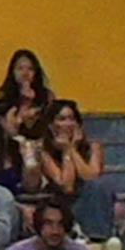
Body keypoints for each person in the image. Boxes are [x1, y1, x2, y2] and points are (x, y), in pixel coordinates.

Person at [34, 100, 108, 234]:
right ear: (51, 125)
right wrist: (66, 152)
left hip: (91, 200)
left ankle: (98, 237)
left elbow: (92, 177)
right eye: (62, 119)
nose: (68, 124)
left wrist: (71, 148)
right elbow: (67, 186)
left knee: (98, 188)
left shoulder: (94, 147)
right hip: (62, 204)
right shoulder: (43, 151)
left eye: (71, 119)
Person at [0, 49, 53, 130]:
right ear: (13, 72)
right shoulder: (1, 97)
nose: (25, 73)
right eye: (20, 68)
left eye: (30, 69)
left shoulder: (46, 97)